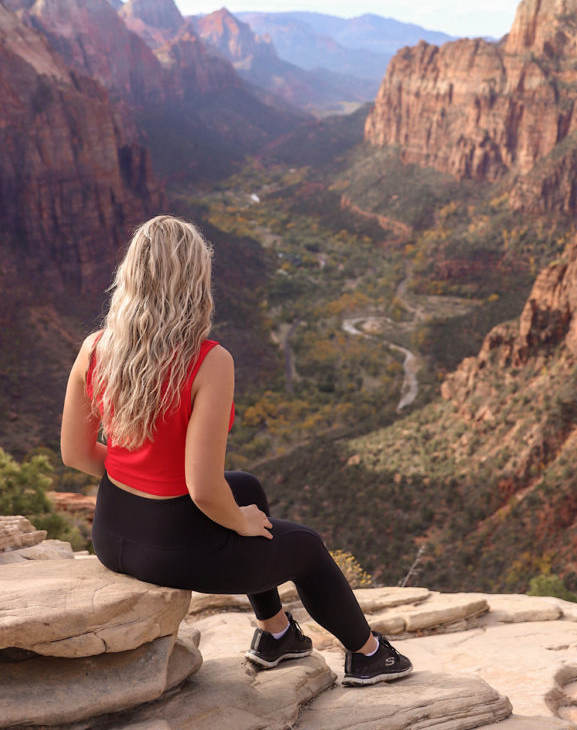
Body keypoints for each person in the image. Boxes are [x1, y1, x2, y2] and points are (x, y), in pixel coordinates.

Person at [61, 214, 412, 687]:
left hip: (111, 535)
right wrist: (238, 520)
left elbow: (77, 455)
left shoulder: (95, 347)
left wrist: (140, 474)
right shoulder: (208, 360)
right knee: (304, 545)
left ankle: (276, 633)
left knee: (246, 487)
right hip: (171, 550)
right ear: (194, 282)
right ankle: (369, 655)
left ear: (131, 276)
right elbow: (202, 490)